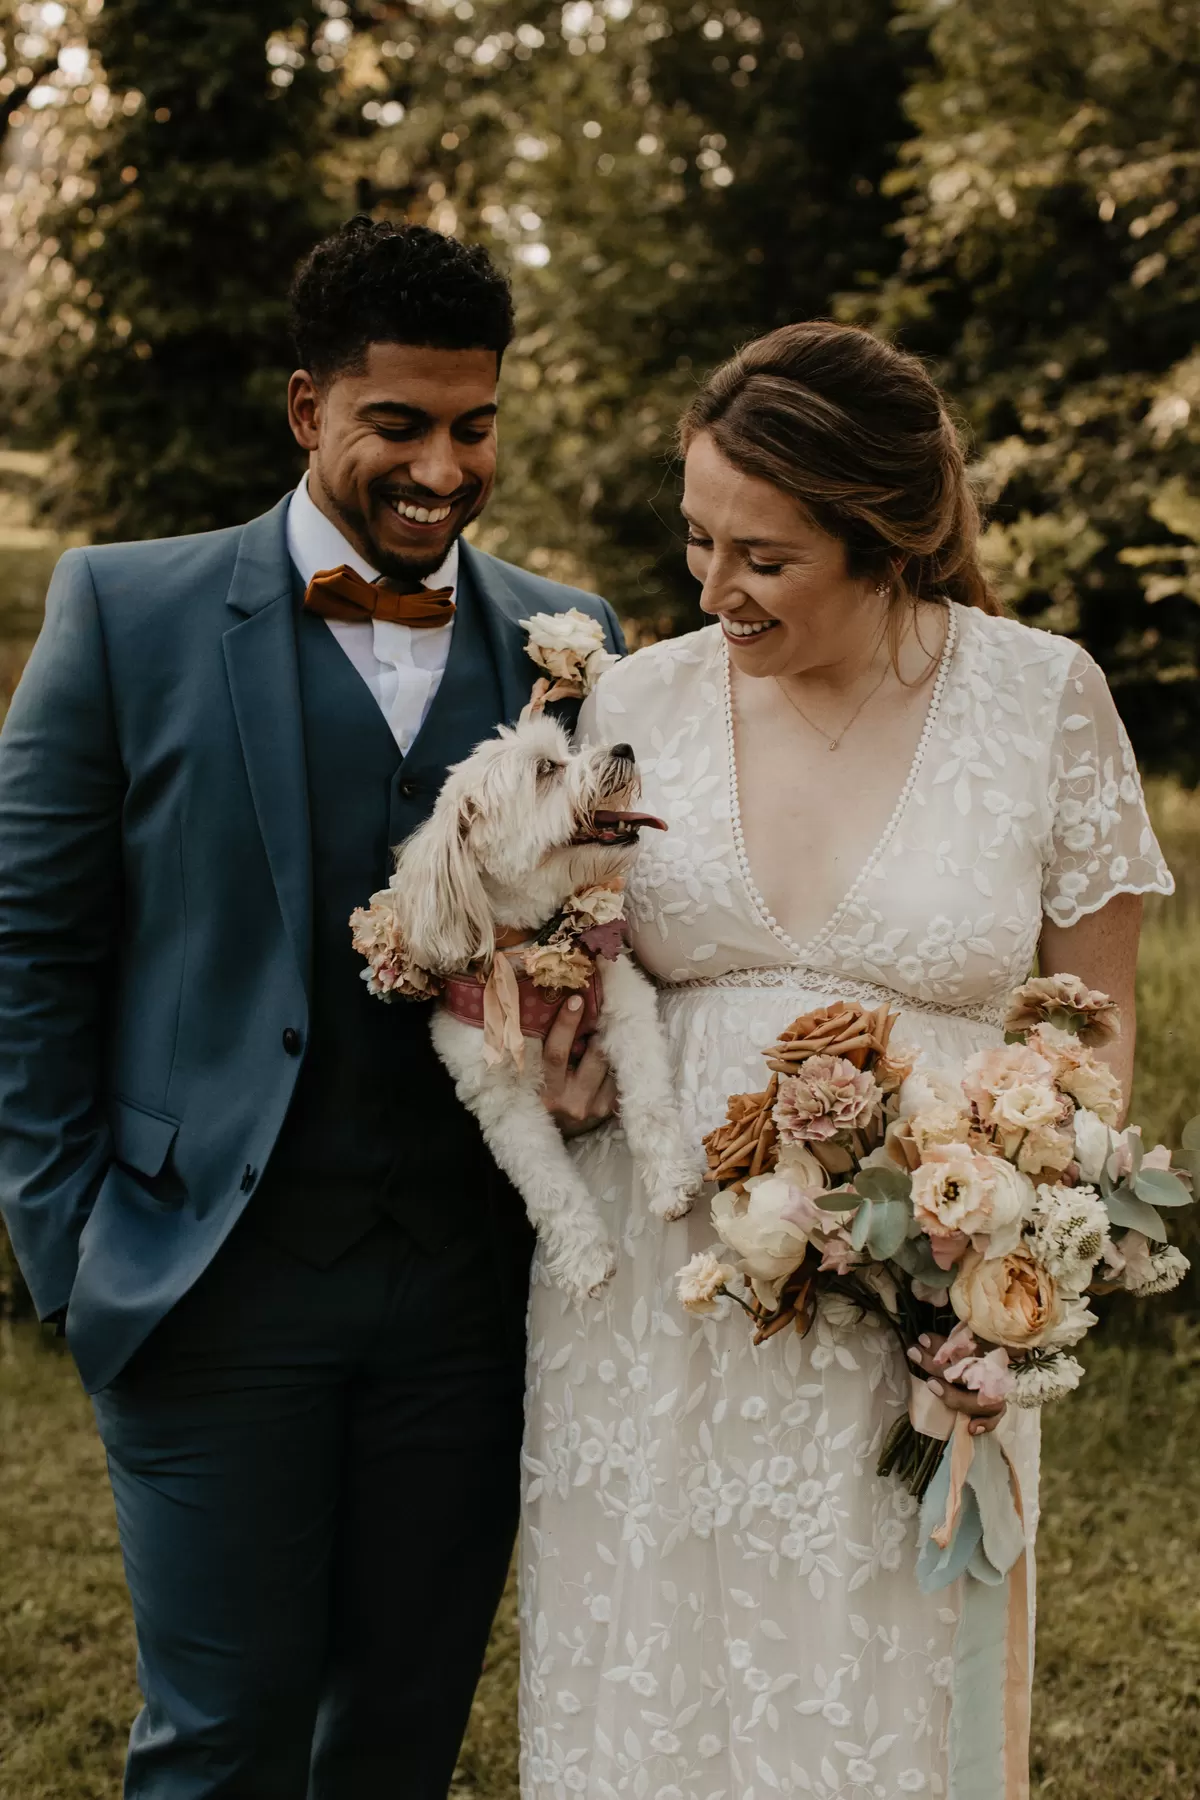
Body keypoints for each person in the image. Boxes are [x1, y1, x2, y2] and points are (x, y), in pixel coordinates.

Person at [0, 218, 623, 1799]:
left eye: (474, 425)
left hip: (476, 1307)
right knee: (221, 1743)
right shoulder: (123, 613)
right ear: (305, 410)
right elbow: (28, 945)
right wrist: (67, 1240)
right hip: (211, 1280)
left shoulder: (573, 643)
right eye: (397, 426)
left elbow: (621, 926)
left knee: (403, 1742)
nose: (443, 467)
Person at [518, 321, 1174, 1797]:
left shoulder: (1041, 697)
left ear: (887, 537)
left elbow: (1095, 1019)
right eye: (696, 541)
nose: (713, 590)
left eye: (764, 557)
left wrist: (1028, 1269)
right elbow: (578, 967)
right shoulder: (638, 699)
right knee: (654, 1680)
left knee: (873, 1690)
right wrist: (551, 1042)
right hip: (656, 1300)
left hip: (920, 1312)